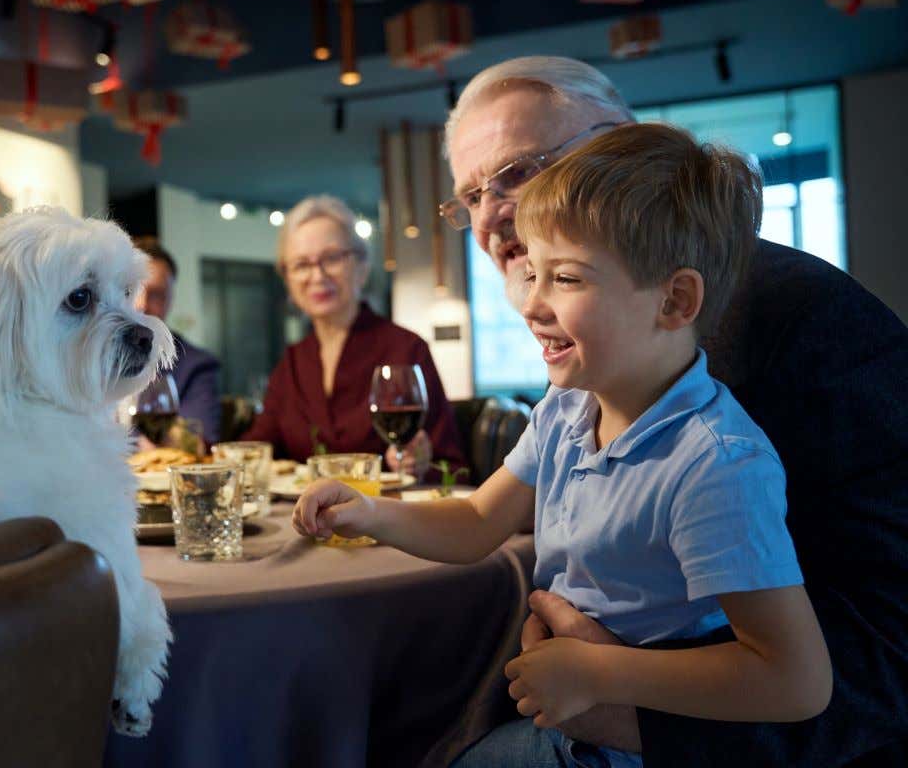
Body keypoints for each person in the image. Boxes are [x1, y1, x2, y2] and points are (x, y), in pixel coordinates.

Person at [295, 122, 833, 767]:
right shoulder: (566, 409)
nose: (532, 305)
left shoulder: (713, 463)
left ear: (675, 300)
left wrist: (601, 672)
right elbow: (474, 521)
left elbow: (794, 680)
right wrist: (370, 510)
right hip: (564, 711)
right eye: (535, 274)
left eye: (568, 279)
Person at [439, 56, 908, 766]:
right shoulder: (584, 336)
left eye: (520, 171)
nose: (490, 214)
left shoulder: (804, 316)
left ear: (626, 148)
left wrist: (630, 709)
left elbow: (891, 636)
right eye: (469, 196)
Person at [240, 194, 464, 480]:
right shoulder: (293, 361)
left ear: (362, 266)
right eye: (301, 265)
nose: (317, 276)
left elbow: (451, 468)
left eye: (331, 258)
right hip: (309, 520)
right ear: (288, 280)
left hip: (389, 518)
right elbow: (259, 448)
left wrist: (418, 464)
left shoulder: (406, 349)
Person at [132, 237, 222, 445]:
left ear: (170, 300)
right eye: (131, 290)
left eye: (156, 294)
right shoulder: (87, 357)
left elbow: (197, 441)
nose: (141, 305)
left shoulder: (195, 365)